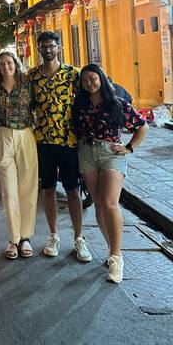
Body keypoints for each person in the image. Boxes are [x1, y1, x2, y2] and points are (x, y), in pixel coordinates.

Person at [72, 63, 148, 283]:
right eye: (85, 80)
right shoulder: (80, 103)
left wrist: (129, 147)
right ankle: (110, 248)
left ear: (102, 79)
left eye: (93, 78)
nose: (89, 83)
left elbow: (142, 126)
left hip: (111, 153)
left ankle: (117, 257)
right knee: (98, 202)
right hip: (86, 152)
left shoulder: (117, 103)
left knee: (109, 202)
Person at [29, 31, 92, 263]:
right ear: (39, 49)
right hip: (44, 140)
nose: (47, 49)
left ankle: (79, 238)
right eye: (43, 46)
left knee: (73, 191)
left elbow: (89, 96)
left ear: (59, 47)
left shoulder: (72, 74)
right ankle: (53, 235)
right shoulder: (32, 77)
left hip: (68, 140)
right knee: (48, 189)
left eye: (51, 45)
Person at [0, 51, 38, 259]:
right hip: (2, 136)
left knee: (27, 188)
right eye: (2, 64)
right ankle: (13, 239)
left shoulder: (28, 83)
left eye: (9, 63)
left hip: (26, 134)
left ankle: (25, 237)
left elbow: (39, 106)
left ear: (15, 64)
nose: (6, 67)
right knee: (8, 191)